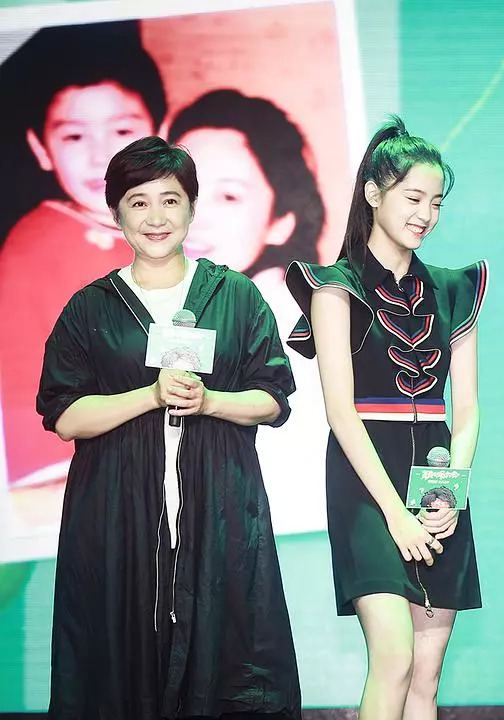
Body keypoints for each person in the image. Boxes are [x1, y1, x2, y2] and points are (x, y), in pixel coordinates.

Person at [37, 136, 301, 717]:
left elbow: (273, 399)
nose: (155, 217)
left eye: (170, 200)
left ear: (191, 208)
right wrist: (149, 395)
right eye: (138, 202)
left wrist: (209, 402)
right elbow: (65, 416)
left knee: (230, 657)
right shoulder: (90, 308)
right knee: (114, 664)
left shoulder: (235, 295)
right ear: (116, 214)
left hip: (220, 509)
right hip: (115, 516)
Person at [285, 116, 485, 719]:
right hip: (366, 483)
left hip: (437, 483)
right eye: (413, 198)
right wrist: (396, 514)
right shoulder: (334, 287)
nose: (426, 214)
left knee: (426, 672)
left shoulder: (455, 288)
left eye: (436, 202)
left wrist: (450, 491)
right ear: (373, 193)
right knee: (394, 656)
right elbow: (340, 412)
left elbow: (467, 408)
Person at [0, 21, 165, 507]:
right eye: (74, 136)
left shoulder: (154, 228)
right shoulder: (35, 251)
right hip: (92, 482)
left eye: (122, 131)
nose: (101, 156)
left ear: (160, 133)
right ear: (40, 148)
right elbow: (28, 405)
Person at [168, 88, 328, 532]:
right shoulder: (152, 306)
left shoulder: (296, 321)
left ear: (281, 220)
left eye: (230, 197)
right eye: (186, 195)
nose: (196, 218)